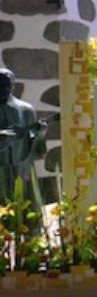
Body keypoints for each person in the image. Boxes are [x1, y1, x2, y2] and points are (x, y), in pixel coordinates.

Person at [0, 69, 47, 214]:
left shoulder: (26, 110)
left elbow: (37, 149)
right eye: (0, 85)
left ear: (13, 86)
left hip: (21, 169)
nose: (3, 88)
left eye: (7, 85)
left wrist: (41, 133)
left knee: (25, 210)